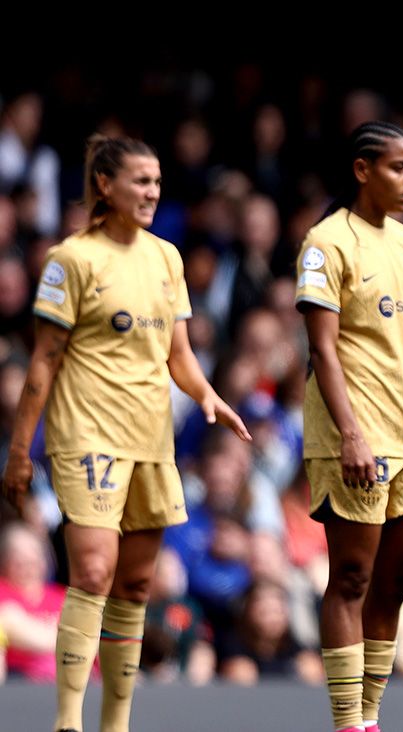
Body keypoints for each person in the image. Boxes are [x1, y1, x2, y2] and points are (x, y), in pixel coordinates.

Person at [1, 134, 250, 732]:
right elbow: (43, 361)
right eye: (140, 181)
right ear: (104, 186)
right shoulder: (71, 260)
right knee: (92, 572)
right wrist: (18, 450)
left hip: (151, 437)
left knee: (136, 584)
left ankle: (116, 722)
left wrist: (208, 394)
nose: (151, 192)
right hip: (85, 434)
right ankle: (67, 720)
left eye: (157, 182)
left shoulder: (166, 257)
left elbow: (179, 354)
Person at [295, 121, 403, 732]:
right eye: (399, 168)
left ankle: (371, 716)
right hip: (357, 434)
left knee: (398, 580)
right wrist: (350, 434)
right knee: (352, 575)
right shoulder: (325, 243)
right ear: (362, 170)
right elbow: (322, 349)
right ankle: (348, 722)